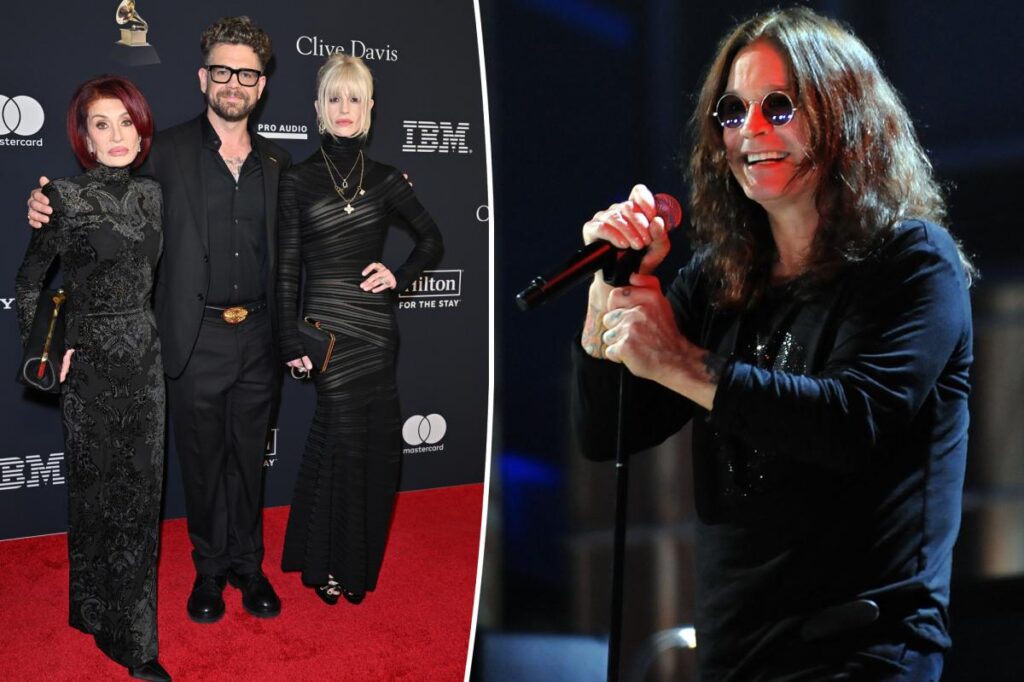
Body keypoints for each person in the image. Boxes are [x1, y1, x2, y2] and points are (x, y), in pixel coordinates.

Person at [572, 7, 973, 680]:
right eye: (732, 112)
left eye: (778, 106)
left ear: (844, 115)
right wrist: (612, 289)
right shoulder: (723, 277)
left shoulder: (911, 262)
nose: (750, 131)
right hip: (736, 659)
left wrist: (679, 359)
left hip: (862, 653)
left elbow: (852, 422)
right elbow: (608, 430)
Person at [28, 16, 290, 624]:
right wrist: (48, 204)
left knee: (249, 461)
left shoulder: (281, 164)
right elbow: (102, 219)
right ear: (203, 79)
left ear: (261, 86)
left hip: (259, 334)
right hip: (189, 336)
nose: (234, 82)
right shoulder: (162, 152)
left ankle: (248, 569)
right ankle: (208, 572)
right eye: (222, 71)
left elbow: (305, 243)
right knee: (200, 466)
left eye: (246, 73)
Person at [16, 76, 171, 682]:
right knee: (93, 495)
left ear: (141, 130)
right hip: (92, 370)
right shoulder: (63, 198)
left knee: (140, 502)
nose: (115, 135)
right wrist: (51, 357)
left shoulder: (154, 195)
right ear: (83, 136)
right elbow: (30, 281)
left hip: (145, 363)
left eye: (125, 122)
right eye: (100, 124)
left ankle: (136, 643)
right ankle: (90, 609)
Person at [276, 54, 443, 605]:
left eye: (354, 98)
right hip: (327, 334)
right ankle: (334, 569)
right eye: (334, 98)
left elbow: (430, 241)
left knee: (371, 452)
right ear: (319, 109)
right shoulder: (297, 180)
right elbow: (286, 270)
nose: (344, 108)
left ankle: (341, 562)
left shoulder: (389, 179)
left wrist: (398, 275)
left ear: (369, 108)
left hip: (376, 333)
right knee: (343, 445)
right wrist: (288, 338)